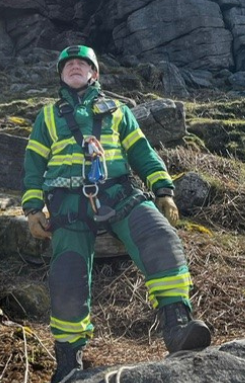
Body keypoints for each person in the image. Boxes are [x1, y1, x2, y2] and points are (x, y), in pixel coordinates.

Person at [22, 45, 211, 383]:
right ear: (61, 76)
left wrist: (164, 189)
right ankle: (68, 361)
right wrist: (33, 208)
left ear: (94, 74)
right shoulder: (47, 116)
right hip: (68, 203)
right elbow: (34, 164)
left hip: (119, 192)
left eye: (83, 64)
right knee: (67, 274)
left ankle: (178, 326)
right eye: (69, 66)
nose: (76, 68)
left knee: (160, 237)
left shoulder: (119, 111)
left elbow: (142, 151)